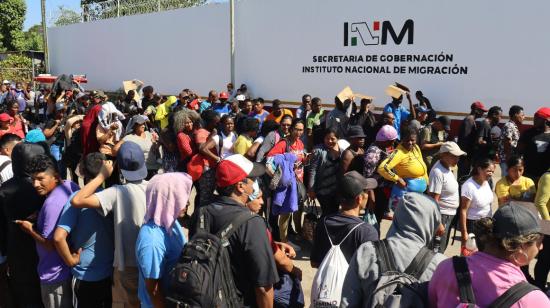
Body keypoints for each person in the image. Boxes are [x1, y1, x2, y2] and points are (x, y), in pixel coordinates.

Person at [189, 154, 279, 307]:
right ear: (240, 186)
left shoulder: (201, 212)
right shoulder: (252, 223)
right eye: (253, 179)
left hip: (205, 299)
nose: (256, 182)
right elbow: (264, 287)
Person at [71, 141, 149, 308]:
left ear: (119, 168)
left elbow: (77, 200)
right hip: (149, 260)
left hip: (127, 265)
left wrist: (102, 176)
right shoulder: (152, 187)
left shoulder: (116, 192)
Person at [429, 205, 550, 307]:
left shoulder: (446, 268)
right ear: (521, 246)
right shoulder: (535, 300)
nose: (541, 247)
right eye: (539, 242)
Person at [341, 192, 446, 307]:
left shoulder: (367, 251)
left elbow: (347, 303)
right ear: (432, 221)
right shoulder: (440, 265)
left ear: (397, 216)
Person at [15, 154, 79, 307]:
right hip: (67, 273)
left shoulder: (51, 204)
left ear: (55, 177)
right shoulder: (71, 185)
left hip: (54, 276)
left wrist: (30, 229)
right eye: (33, 179)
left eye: (40, 179)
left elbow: (50, 245)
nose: (35, 184)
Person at [53, 152, 114, 308]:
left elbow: (59, 237)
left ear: (82, 172)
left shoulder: (75, 199)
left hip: (85, 275)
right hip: (111, 272)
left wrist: (70, 260)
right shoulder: (112, 195)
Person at [136, 172, 192, 307]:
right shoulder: (152, 241)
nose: (188, 202)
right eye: (182, 197)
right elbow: (153, 290)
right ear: (169, 200)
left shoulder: (170, 222)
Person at [0, 143, 47, 307]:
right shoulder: (43, 186)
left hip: (16, 245)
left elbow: (2, 225)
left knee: (22, 289)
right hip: (42, 243)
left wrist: (4, 249)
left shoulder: (5, 188)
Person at [310, 171, 378, 268]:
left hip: (327, 282)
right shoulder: (367, 232)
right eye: (366, 191)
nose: (368, 195)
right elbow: (370, 272)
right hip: (352, 283)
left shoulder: (323, 223)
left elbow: (315, 263)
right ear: (359, 199)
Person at [378, 127, 428, 212]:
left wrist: (426, 181)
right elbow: (382, 168)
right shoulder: (398, 152)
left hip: (418, 194)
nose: (410, 142)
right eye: (407, 139)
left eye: (413, 140)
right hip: (404, 194)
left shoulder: (416, 148)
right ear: (402, 138)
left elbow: (421, 164)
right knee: (403, 220)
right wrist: (397, 179)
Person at [428, 141, 466, 253]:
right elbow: (433, 200)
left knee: (441, 248)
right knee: (436, 250)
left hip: (449, 215)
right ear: (443, 155)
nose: (457, 159)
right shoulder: (437, 172)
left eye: (458, 156)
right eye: (454, 156)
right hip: (442, 215)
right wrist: (438, 222)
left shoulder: (449, 168)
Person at [459, 158, 495, 249]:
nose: (491, 174)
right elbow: (463, 211)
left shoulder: (488, 182)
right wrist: (464, 233)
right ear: (479, 169)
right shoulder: (469, 186)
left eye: (492, 171)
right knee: (470, 254)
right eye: (488, 171)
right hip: (474, 225)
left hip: (487, 223)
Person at [364, 125, 398, 221]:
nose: (393, 143)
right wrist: (371, 198)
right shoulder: (373, 153)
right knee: (373, 219)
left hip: (382, 188)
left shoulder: (382, 147)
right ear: (386, 140)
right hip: (375, 191)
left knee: (378, 217)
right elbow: (368, 177)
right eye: (392, 141)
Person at [307, 128, 343, 216]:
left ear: (338, 139)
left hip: (336, 189)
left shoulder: (342, 150)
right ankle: (323, 228)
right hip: (323, 189)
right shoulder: (318, 150)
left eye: (332, 139)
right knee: (327, 212)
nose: (329, 141)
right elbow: (313, 170)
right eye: (327, 138)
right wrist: (311, 189)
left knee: (334, 212)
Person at [114, 115, 160, 179]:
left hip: (155, 168)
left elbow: (157, 149)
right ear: (135, 125)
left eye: (144, 124)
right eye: (140, 124)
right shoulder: (130, 137)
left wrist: (155, 142)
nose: (143, 126)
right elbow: (115, 149)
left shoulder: (149, 134)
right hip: (142, 170)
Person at [457, 101, 487, 178]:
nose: (483, 113)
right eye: (481, 111)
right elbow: (465, 139)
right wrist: (465, 155)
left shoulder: (472, 120)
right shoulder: (469, 120)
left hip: (467, 155)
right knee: (463, 176)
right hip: (465, 156)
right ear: (476, 110)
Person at [520, 107, 550, 182]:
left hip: (546, 177)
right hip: (528, 175)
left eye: (537, 118)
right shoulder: (528, 133)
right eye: (534, 117)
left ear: (546, 120)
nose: (534, 120)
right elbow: (518, 151)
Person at [534, 168, 550, 290]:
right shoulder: (547, 177)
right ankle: (540, 288)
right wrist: (548, 225)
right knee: (545, 259)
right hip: (547, 224)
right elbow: (540, 203)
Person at [498, 105, 525, 176]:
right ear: (516, 115)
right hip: (507, 161)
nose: (523, 117)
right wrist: (509, 160)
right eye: (522, 115)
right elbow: (507, 143)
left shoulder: (513, 126)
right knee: (507, 182)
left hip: (510, 160)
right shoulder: (509, 126)